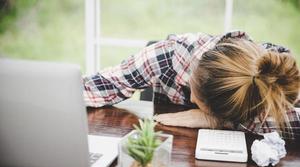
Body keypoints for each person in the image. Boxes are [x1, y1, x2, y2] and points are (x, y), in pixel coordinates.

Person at [83, 30, 300, 138]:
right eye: (191, 90)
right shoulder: (167, 56)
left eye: (196, 100)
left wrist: (216, 122)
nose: (192, 99)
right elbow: (102, 85)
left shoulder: (270, 84)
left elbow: (291, 125)